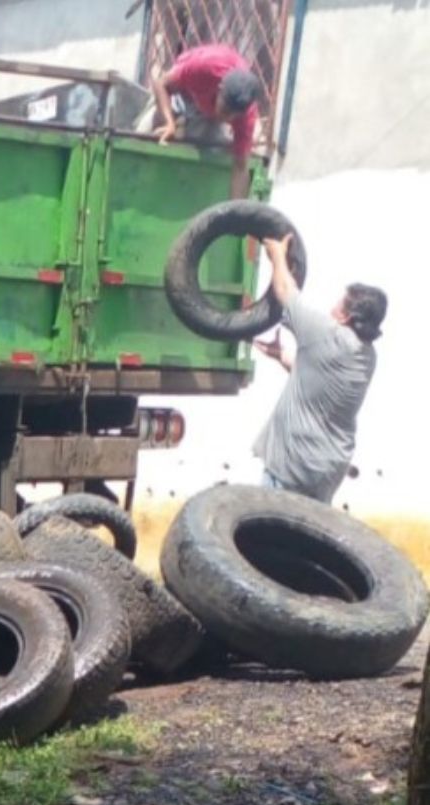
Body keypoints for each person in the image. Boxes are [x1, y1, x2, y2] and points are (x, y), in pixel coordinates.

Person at [251, 238, 388, 503]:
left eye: (338, 304)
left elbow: (284, 290)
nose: (331, 308)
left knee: (268, 532)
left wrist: (278, 256)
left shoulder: (327, 333)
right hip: (326, 471)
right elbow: (321, 384)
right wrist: (283, 357)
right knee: (303, 538)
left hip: (293, 465)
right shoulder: (367, 355)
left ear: (346, 317)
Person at [148, 44, 262, 197]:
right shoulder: (203, 67)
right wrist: (169, 123)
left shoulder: (246, 117)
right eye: (225, 110)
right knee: (147, 134)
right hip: (181, 92)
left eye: (231, 116)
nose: (226, 118)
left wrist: (236, 215)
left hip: (204, 113)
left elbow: (240, 168)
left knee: (210, 155)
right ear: (219, 88)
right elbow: (161, 84)